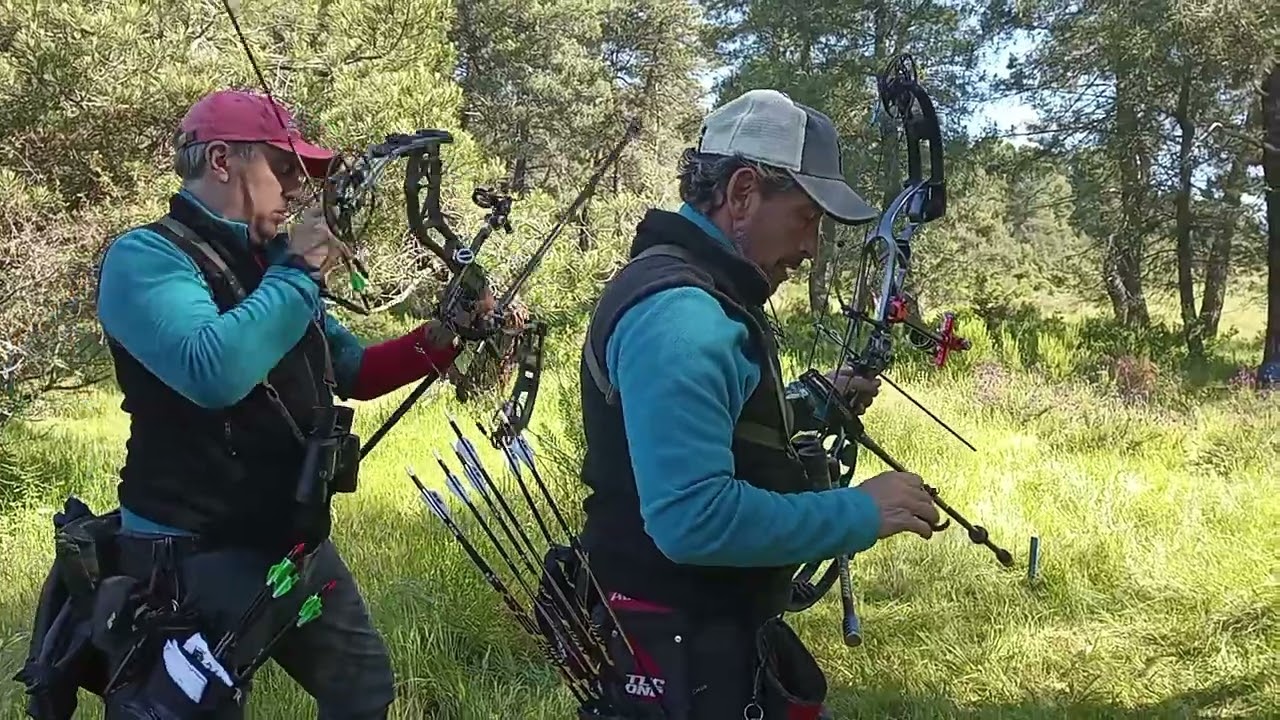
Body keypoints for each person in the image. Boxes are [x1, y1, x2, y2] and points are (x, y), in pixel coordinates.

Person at [17, 89, 485, 719]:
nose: (298, 188)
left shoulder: (275, 267)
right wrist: (300, 271)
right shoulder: (148, 257)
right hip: (188, 556)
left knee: (362, 689)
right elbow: (215, 370)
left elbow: (353, 368)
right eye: (285, 167)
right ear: (220, 160)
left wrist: (447, 335)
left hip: (290, 543)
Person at [573, 89, 943, 718]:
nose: (811, 247)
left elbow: (722, 418)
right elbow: (694, 517)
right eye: (806, 217)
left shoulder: (705, 291)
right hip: (678, 651)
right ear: (743, 193)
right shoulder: (681, 315)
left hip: (706, 636)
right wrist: (857, 511)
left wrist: (813, 401)